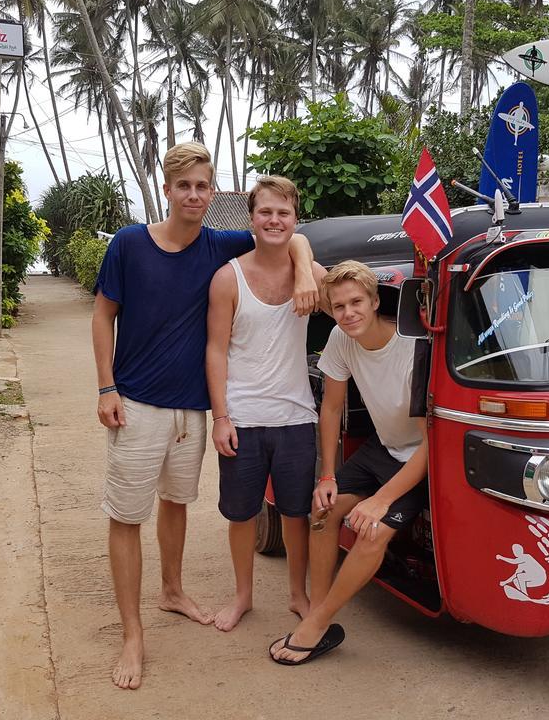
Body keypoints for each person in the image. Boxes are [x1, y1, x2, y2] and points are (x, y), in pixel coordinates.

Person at [92, 142, 317, 689]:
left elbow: (292, 233)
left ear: (213, 192)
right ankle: (132, 634)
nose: (193, 195)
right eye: (183, 186)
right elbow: (103, 315)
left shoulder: (221, 244)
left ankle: (172, 590)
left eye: (202, 185)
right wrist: (106, 386)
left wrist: (307, 271)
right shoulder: (129, 244)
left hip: (193, 410)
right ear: (167, 190)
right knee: (126, 516)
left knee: (177, 505)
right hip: (138, 403)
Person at [269, 260, 428, 665]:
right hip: (382, 447)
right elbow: (331, 408)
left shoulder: (414, 347)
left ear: (375, 301)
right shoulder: (341, 338)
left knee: (372, 529)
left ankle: (317, 622)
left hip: (421, 457)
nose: (348, 313)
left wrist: (380, 501)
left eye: (357, 302)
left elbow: (432, 444)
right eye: (339, 306)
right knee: (322, 508)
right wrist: (326, 474)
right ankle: (319, 610)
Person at [206, 176, 327, 632]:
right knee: (241, 515)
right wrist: (220, 417)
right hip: (242, 417)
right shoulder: (227, 278)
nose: (274, 220)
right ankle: (243, 597)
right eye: (266, 212)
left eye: (284, 213)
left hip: (295, 416)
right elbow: (215, 349)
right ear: (251, 218)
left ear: (295, 220)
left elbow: (351, 306)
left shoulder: (310, 275)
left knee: (296, 513)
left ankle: (298, 594)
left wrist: (303, 263)